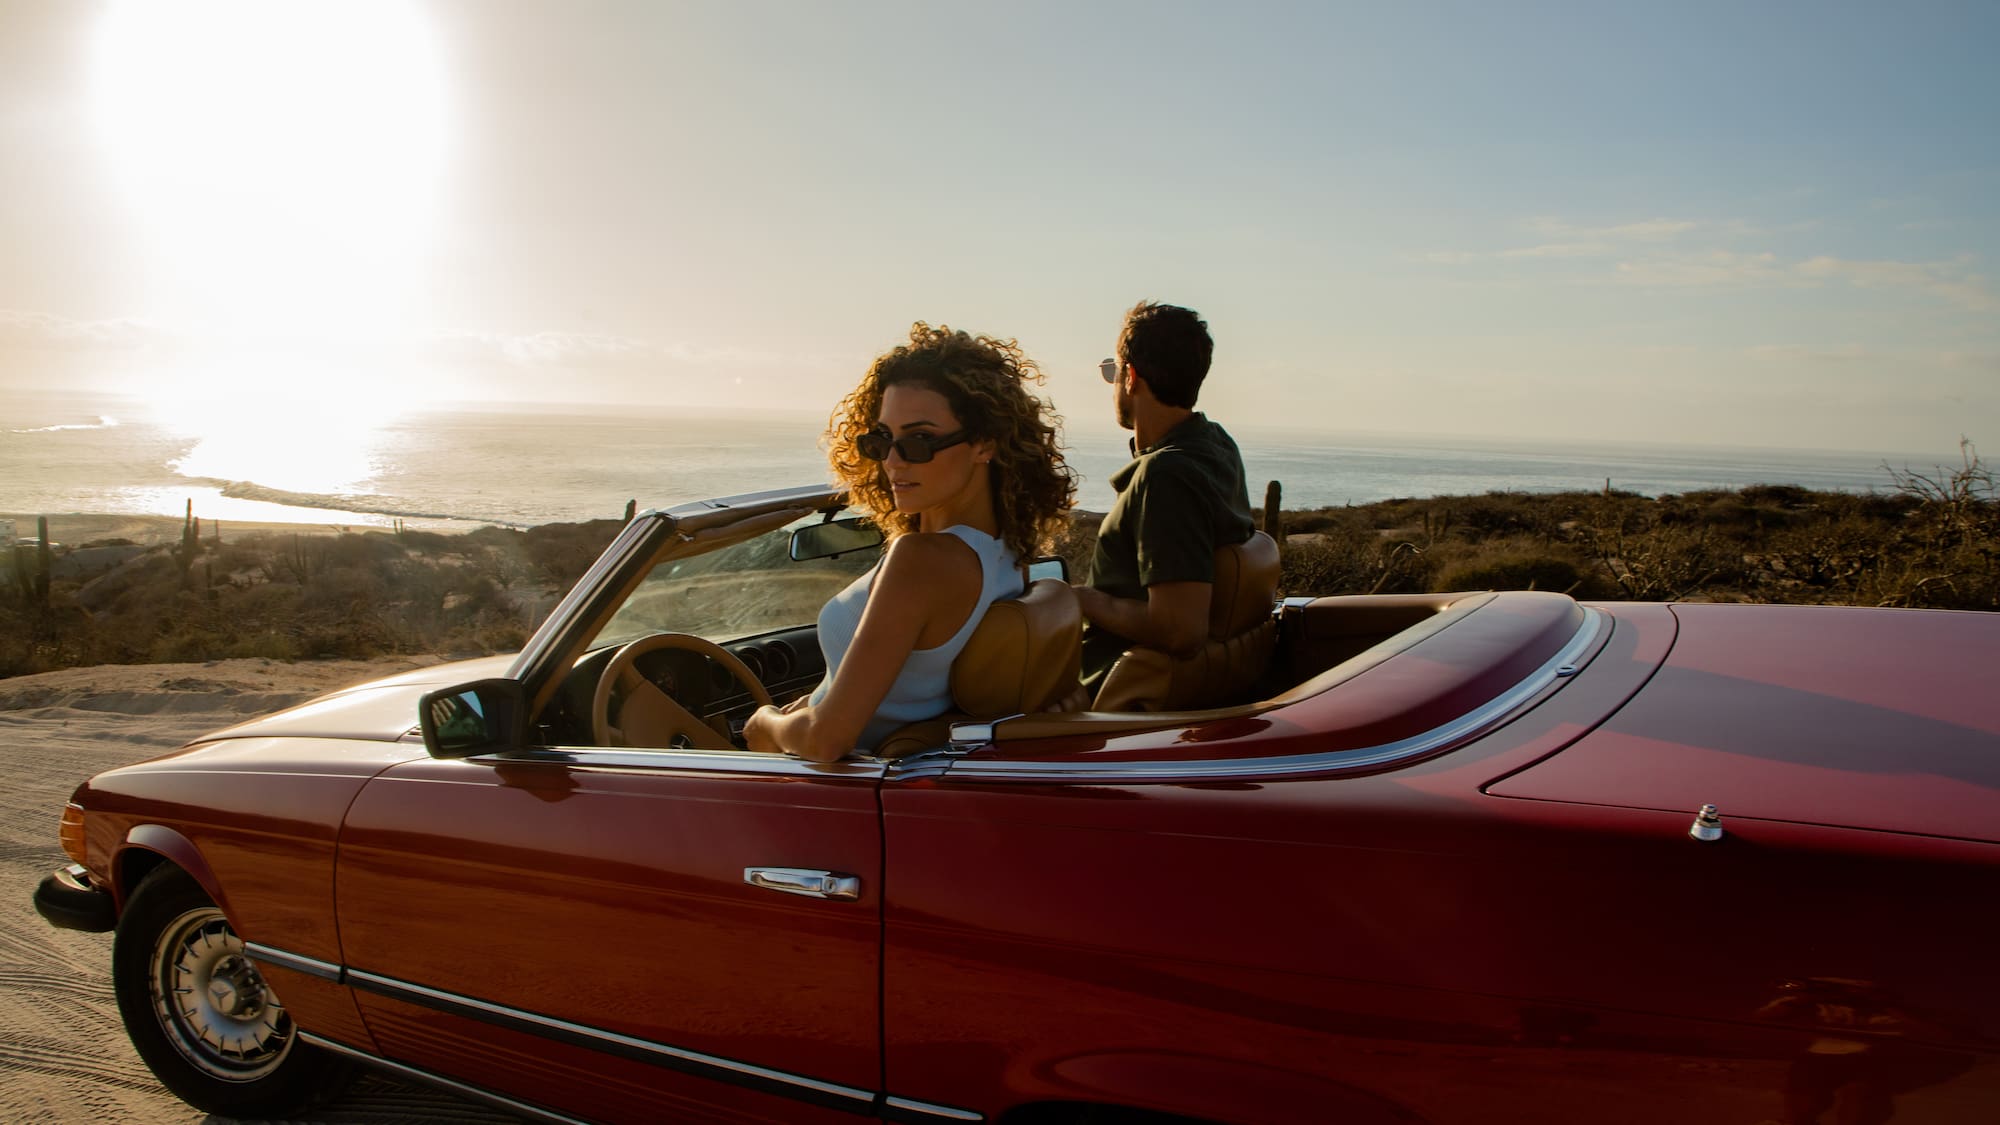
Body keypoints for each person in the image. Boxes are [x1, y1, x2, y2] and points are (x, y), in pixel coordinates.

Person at [745, 323, 1076, 761]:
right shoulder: (1007, 556)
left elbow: (827, 740)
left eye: (921, 440)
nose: (894, 461)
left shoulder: (922, 560)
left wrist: (765, 722)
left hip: (825, 783)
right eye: (883, 439)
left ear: (985, 444)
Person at [1074, 300, 1254, 697]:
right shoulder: (1216, 446)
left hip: (1101, 700)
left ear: (1131, 376)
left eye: (1114, 372)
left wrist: (1082, 599)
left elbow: (1180, 630)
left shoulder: (1166, 477)